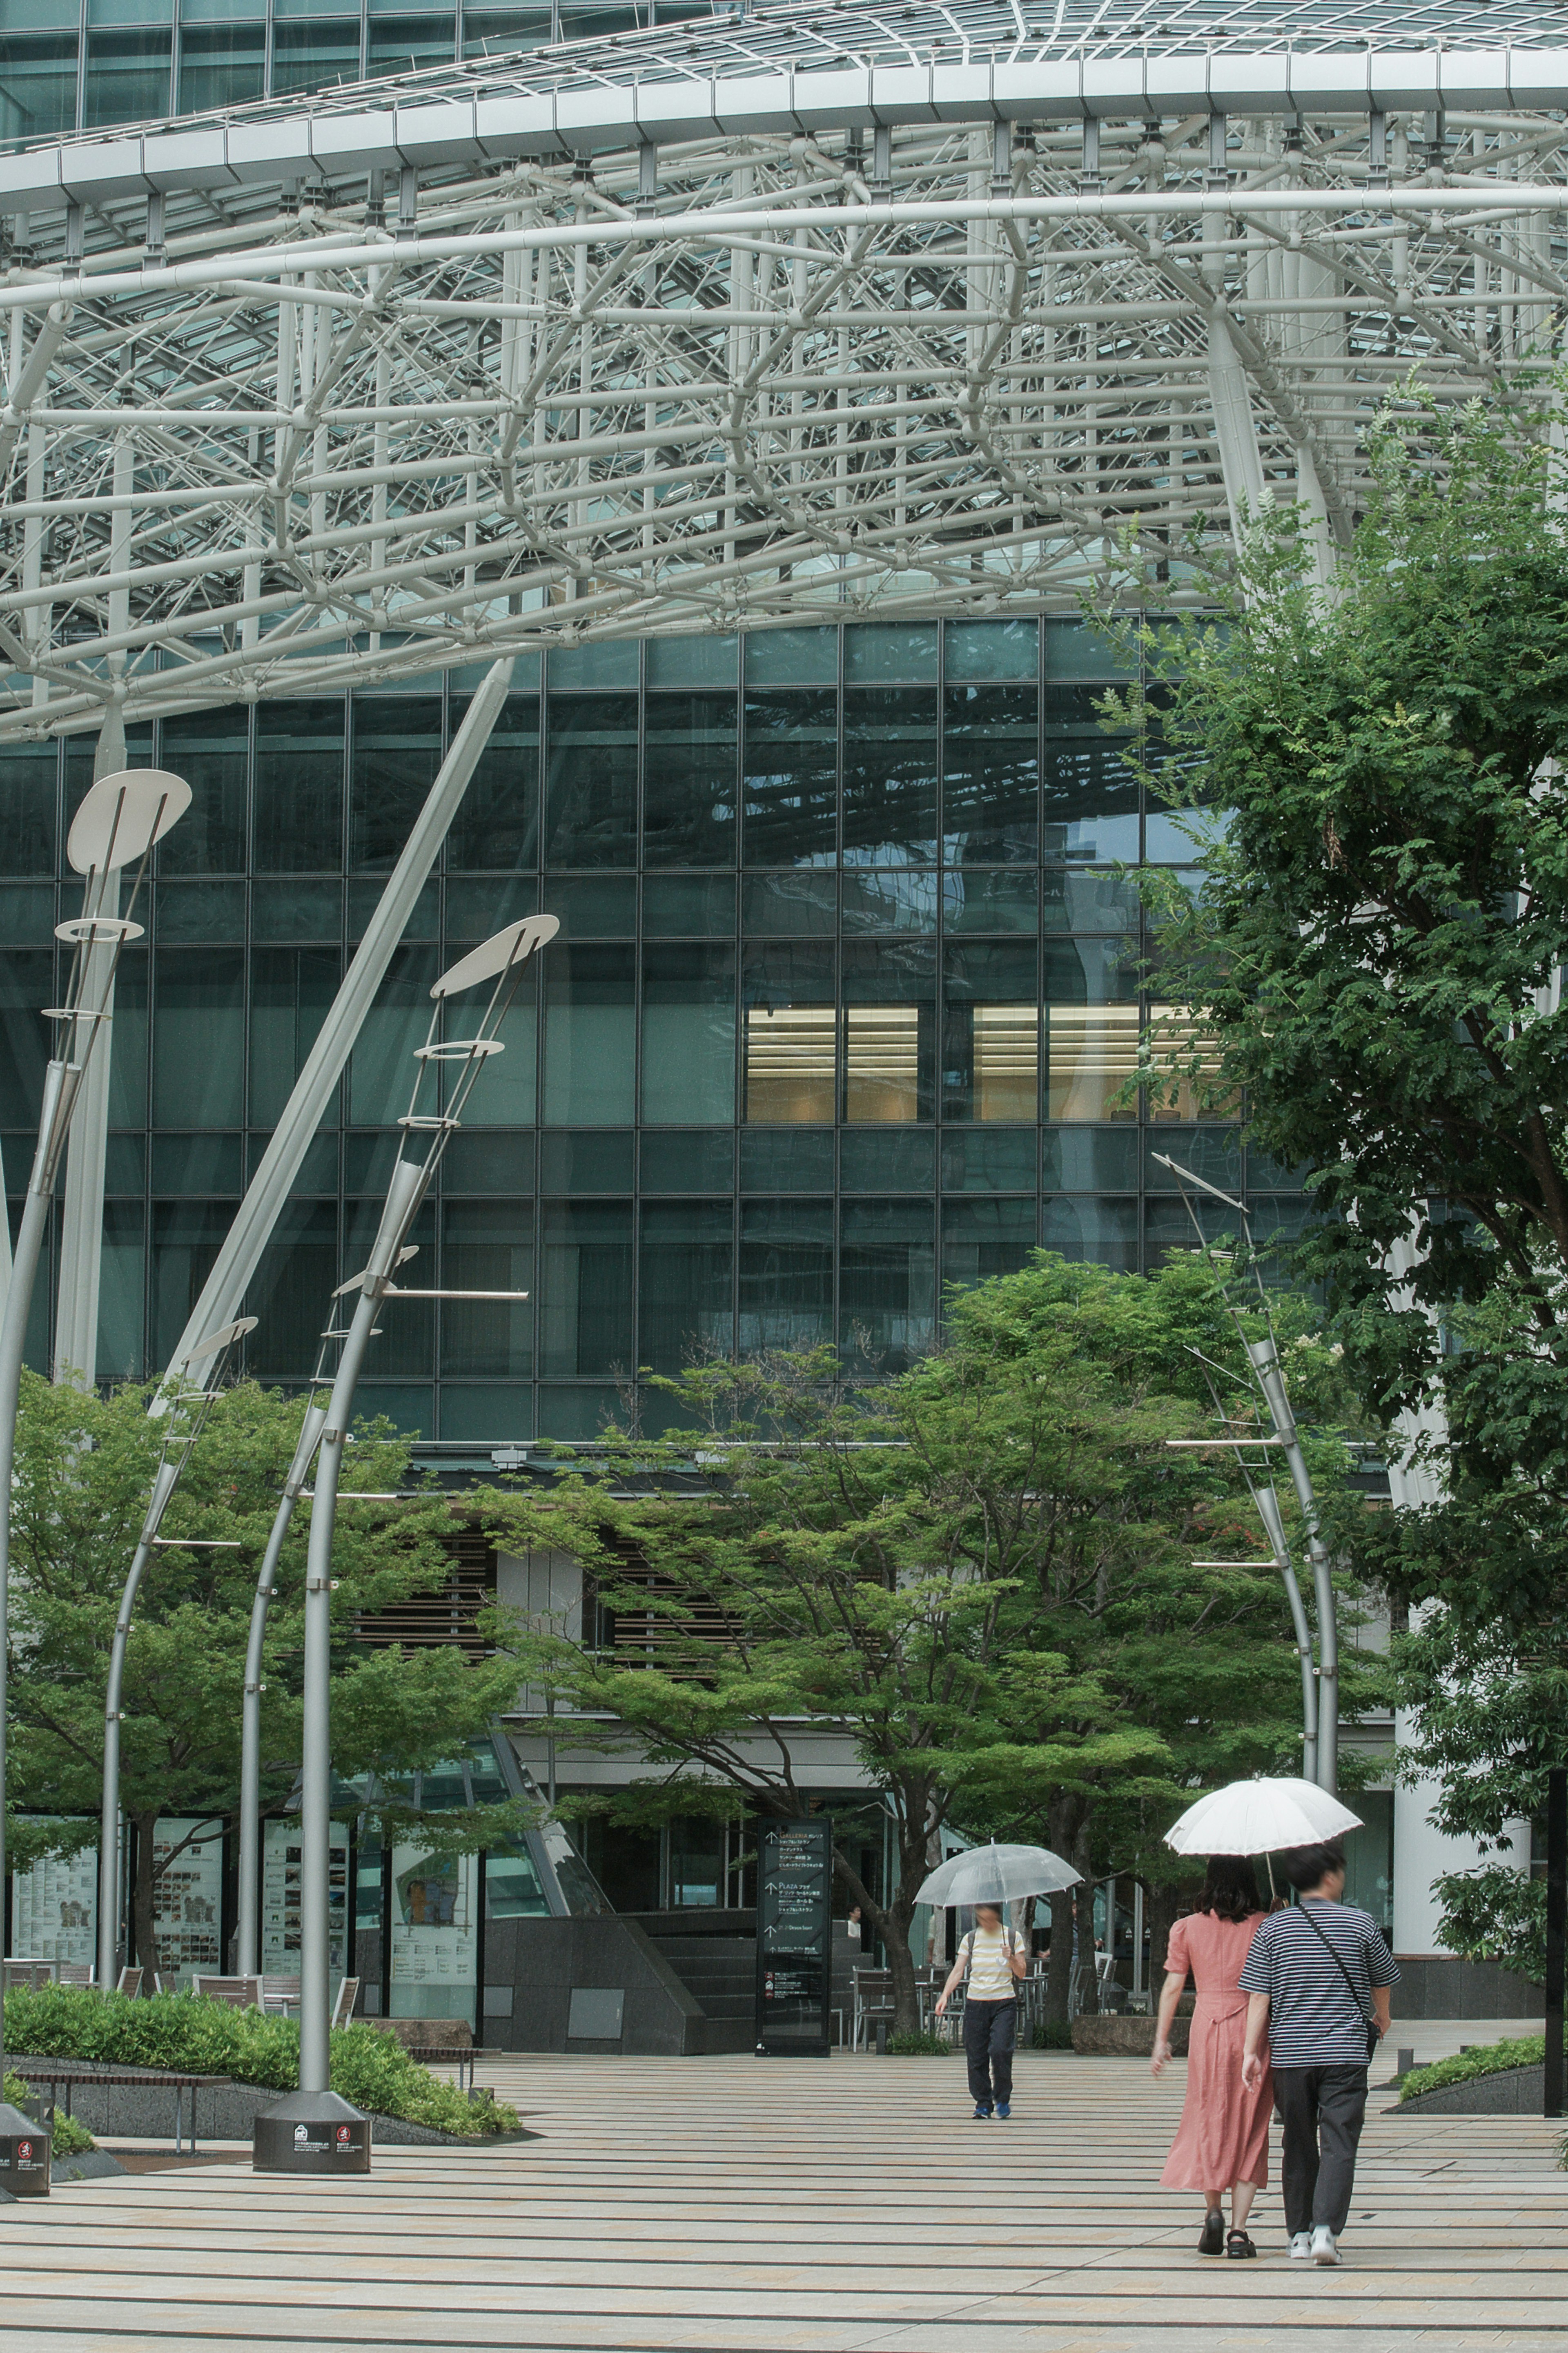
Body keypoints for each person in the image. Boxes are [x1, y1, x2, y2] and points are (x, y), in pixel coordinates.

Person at [1239, 1841, 1398, 2268]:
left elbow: (1259, 1997)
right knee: (1340, 2141)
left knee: (1297, 2141)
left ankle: (1299, 2235)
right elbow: (1382, 1980)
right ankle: (1327, 2229)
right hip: (1345, 2052)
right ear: (1329, 1877)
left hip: (1291, 2055)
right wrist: (1382, 2017)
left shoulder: (1272, 1929)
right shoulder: (1361, 1923)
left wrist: (1251, 2052)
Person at [1150, 1856, 1274, 2259]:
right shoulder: (1264, 1925)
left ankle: (1214, 2212)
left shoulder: (1186, 1928)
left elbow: (1173, 1985)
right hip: (1252, 2029)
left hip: (1207, 2026)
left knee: (1209, 2119)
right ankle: (1239, 2232)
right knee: (1252, 2127)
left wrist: (1161, 2040)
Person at [935, 1902, 1027, 2118]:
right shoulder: (971, 1939)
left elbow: (1021, 1973)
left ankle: (1002, 2098)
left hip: (1004, 2001)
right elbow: (958, 1970)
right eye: (981, 1918)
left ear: (996, 1915)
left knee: (1001, 2050)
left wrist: (1011, 1957)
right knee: (976, 2055)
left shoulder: (1012, 1937)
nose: (984, 1922)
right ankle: (983, 2102)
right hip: (976, 2002)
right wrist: (945, 1995)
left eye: (988, 1918)